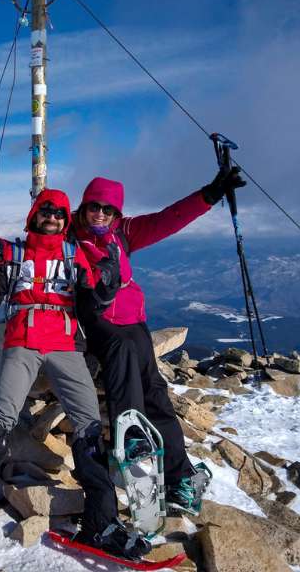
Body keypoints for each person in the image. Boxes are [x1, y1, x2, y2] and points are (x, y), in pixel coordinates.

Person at [0, 188, 149, 560]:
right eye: (46, 210)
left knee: (88, 424)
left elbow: (92, 302)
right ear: (34, 214)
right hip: (23, 339)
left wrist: (106, 285)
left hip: (65, 343)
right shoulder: (12, 253)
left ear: (66, 219)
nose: (53, 217)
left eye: (59, 212)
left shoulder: (74, 256)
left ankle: (101, 521)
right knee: (1, 415)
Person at [71, 168, 246, 515]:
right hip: (97, 318)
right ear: (83, 207)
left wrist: (209, 194)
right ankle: (134, 438)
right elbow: (42, 236)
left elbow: (169, 220)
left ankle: (180, 477)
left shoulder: (124, 233)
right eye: (94, 206)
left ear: (117, 213)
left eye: (108, 209)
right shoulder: (70, 236)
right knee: (121, 359)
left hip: (133, 320)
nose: (100, 214)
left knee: (155, 392)